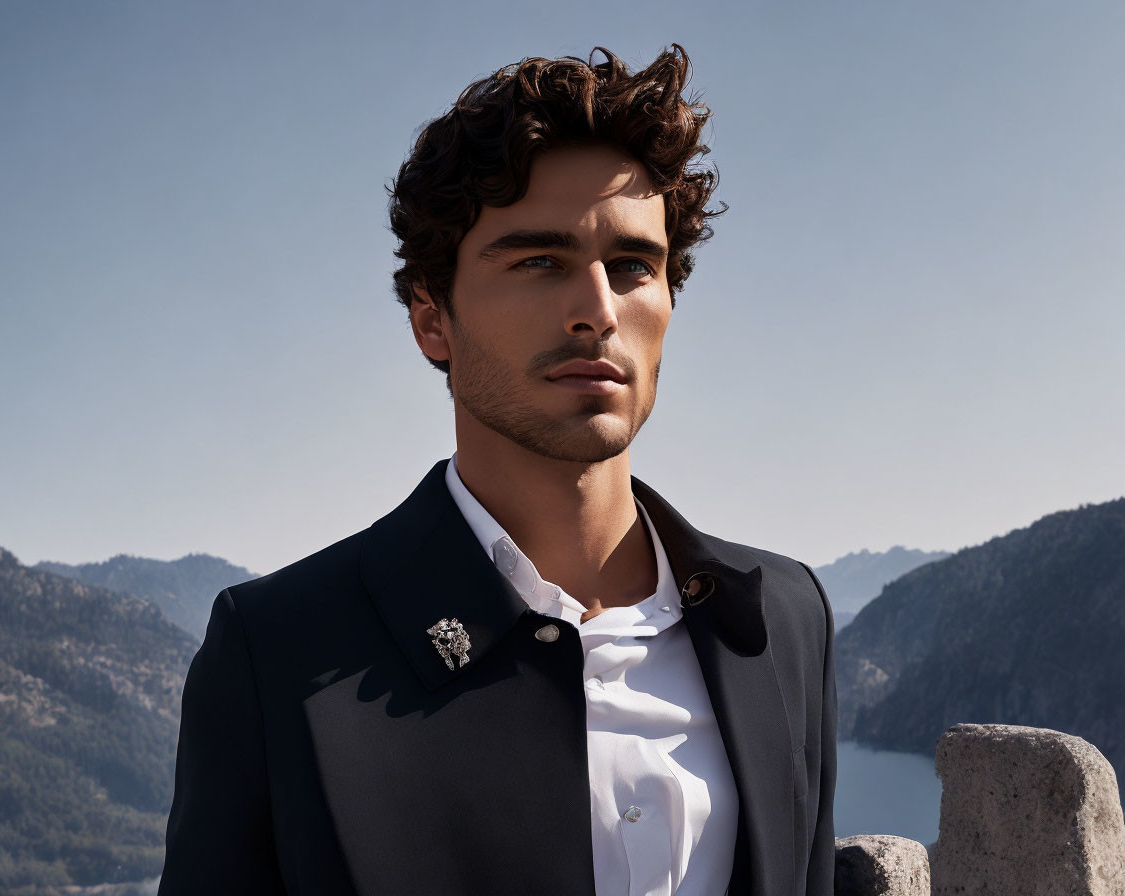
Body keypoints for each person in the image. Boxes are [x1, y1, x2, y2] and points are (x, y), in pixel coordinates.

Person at [159, 45, 836, 896]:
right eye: (538, 262)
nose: (597, 310)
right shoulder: (277, 655)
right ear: (431, 322)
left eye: (633, 265)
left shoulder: (784, 621)